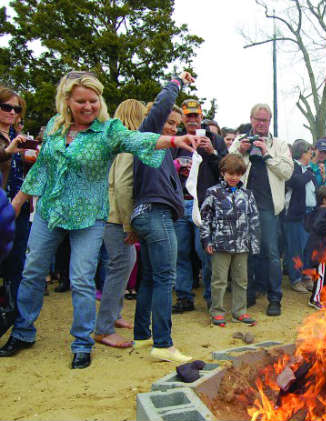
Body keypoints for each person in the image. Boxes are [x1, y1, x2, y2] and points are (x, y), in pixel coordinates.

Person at [0, 71, 199, 369]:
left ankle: (82, 342)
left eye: (94, 100)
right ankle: (24, 331)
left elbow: (137, 138)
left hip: (89, 216)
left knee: (82, 278)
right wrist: (17, 203)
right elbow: (42, 167)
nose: (88, 106)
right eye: (81, 101)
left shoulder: (108, 131)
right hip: (50, 211)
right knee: (32, 272)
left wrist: (173, 139)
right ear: (67, 101)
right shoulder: (55, 126)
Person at [95, 72, 195, 349]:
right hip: (155, 215)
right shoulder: (146, 137)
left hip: (152, 216)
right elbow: (161, 106)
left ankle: (141, 337)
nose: (173, 128)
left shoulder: (162, 151)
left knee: (151, 277)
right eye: (169, 122)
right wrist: (177, 82)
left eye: (177, 124)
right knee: (166, 278)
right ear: (153, 120)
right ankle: (163, 345)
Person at [229, 103, 292, 316]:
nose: (261, 124)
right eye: (257, 119)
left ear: (270, 121)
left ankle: (275, 299)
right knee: (244, 253)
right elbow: (227, 166)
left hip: (267, 208)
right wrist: (240, 150)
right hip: (243, 206)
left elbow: (287, 173)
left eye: (265, 120)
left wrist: (267, 155)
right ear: (251, 118)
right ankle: (247, 295)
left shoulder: (280, 145)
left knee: (272, 254)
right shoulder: (240, 142)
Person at [172, 99, 227, 313]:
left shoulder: (215, 139)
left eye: (196, 115)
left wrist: (212, 152)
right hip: (180, 203)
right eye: (189, 116)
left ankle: (212, 298)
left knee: (204, 251)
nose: (193, 120)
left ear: (201, 115)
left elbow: (227, 170)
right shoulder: (176, 140)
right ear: (183, 118)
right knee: (181, 253)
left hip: (204, 205)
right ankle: (184, 297)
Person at [200, 154, 260, 327]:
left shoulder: (247, 194)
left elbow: (254, 219)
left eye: (238, 174)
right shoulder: (213, 192)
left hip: (242, 245)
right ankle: (217, 312)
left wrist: (254, 243)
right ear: (223, 172)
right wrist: (207, 241)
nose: (234, 177)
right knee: (219, 280)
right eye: (230, 173)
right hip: (220, 244)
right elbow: (206, 219)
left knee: (241, 280)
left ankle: (239, 312)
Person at [0, 88, 31, 312]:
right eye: (6, 107)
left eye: (16, 108)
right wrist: (8, 152)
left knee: (16, 264)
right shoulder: (8, 142)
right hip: (2, 205)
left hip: (19, 206)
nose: (12, 112)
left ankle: (12, 314)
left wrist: (31, 158)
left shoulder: (18, 138)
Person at [284, 139, 316, 294]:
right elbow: (296, 181)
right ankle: (295, 279)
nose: (312, 155)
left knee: (308, 248)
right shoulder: (293, 167)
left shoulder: (309, 169)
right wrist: (310, 174)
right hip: (296, 215)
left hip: (310, 213)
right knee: (295, 249)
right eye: (310, 152)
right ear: (303, 153)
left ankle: (306, 276)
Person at [304, 185, 326, 310]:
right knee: (321, 274)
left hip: (321, 248)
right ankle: (315, 299)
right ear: (324, 200)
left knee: (324, 273)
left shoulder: (318, 211)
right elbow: (319, 226)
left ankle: (322, 296)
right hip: (320, 249)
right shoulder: (323, 212)